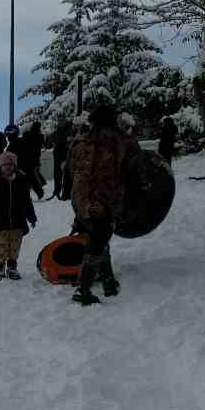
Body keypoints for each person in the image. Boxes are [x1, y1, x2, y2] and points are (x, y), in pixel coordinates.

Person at [70, 105, 134, 305]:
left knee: (100, 238)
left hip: (94, 198)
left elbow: (72, 169)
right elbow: (81, 175)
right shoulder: (103, 142)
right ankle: (84, 289)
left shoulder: (88, 141)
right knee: (98, 242)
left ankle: (108, 283)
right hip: (98, 200)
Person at [0, 152, 37, 281]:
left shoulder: (21, 181)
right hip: (1, 222)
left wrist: (32, 217)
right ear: (0, 167)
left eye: (10, 164)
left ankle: (12, 268)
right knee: (1, 246)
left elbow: (27, 201)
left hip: (18, 221)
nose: (8, 167)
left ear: (14, 166)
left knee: (14, 246)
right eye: (5, 165)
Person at [16, 122, 48, 197]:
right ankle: (39, 191)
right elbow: (43, 145)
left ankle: (37, 191)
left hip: (26, 159)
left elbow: (22, 143)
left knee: (29, 176)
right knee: (32, 176)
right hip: (35, 159)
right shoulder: (40, 136)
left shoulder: (27, 134)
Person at [50, 122, 73, 200]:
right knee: (67, 174)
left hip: (58, 154)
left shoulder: (56, 133)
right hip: (65, 154)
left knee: (58, 174)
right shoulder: (69, 132)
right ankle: (66, 193)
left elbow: (49, 142)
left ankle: (57, 191)